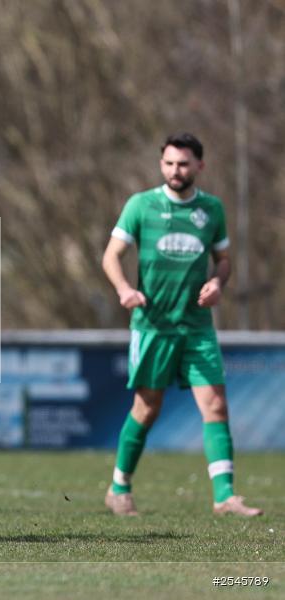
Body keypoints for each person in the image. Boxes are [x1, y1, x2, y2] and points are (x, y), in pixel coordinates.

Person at [101, 133, 262, 517]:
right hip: (153, 325)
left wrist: (218, 283)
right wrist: (124, 289)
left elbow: (224, 260)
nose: (176, 170)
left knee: (216, 405)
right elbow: (111, 256)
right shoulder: (142, 205)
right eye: (170, 163)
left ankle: (225, 496)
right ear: (162, 165)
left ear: (199, 167)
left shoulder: (212, 210)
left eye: (184, 164)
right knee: (147, 406)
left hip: (196, 326)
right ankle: (118, 487)